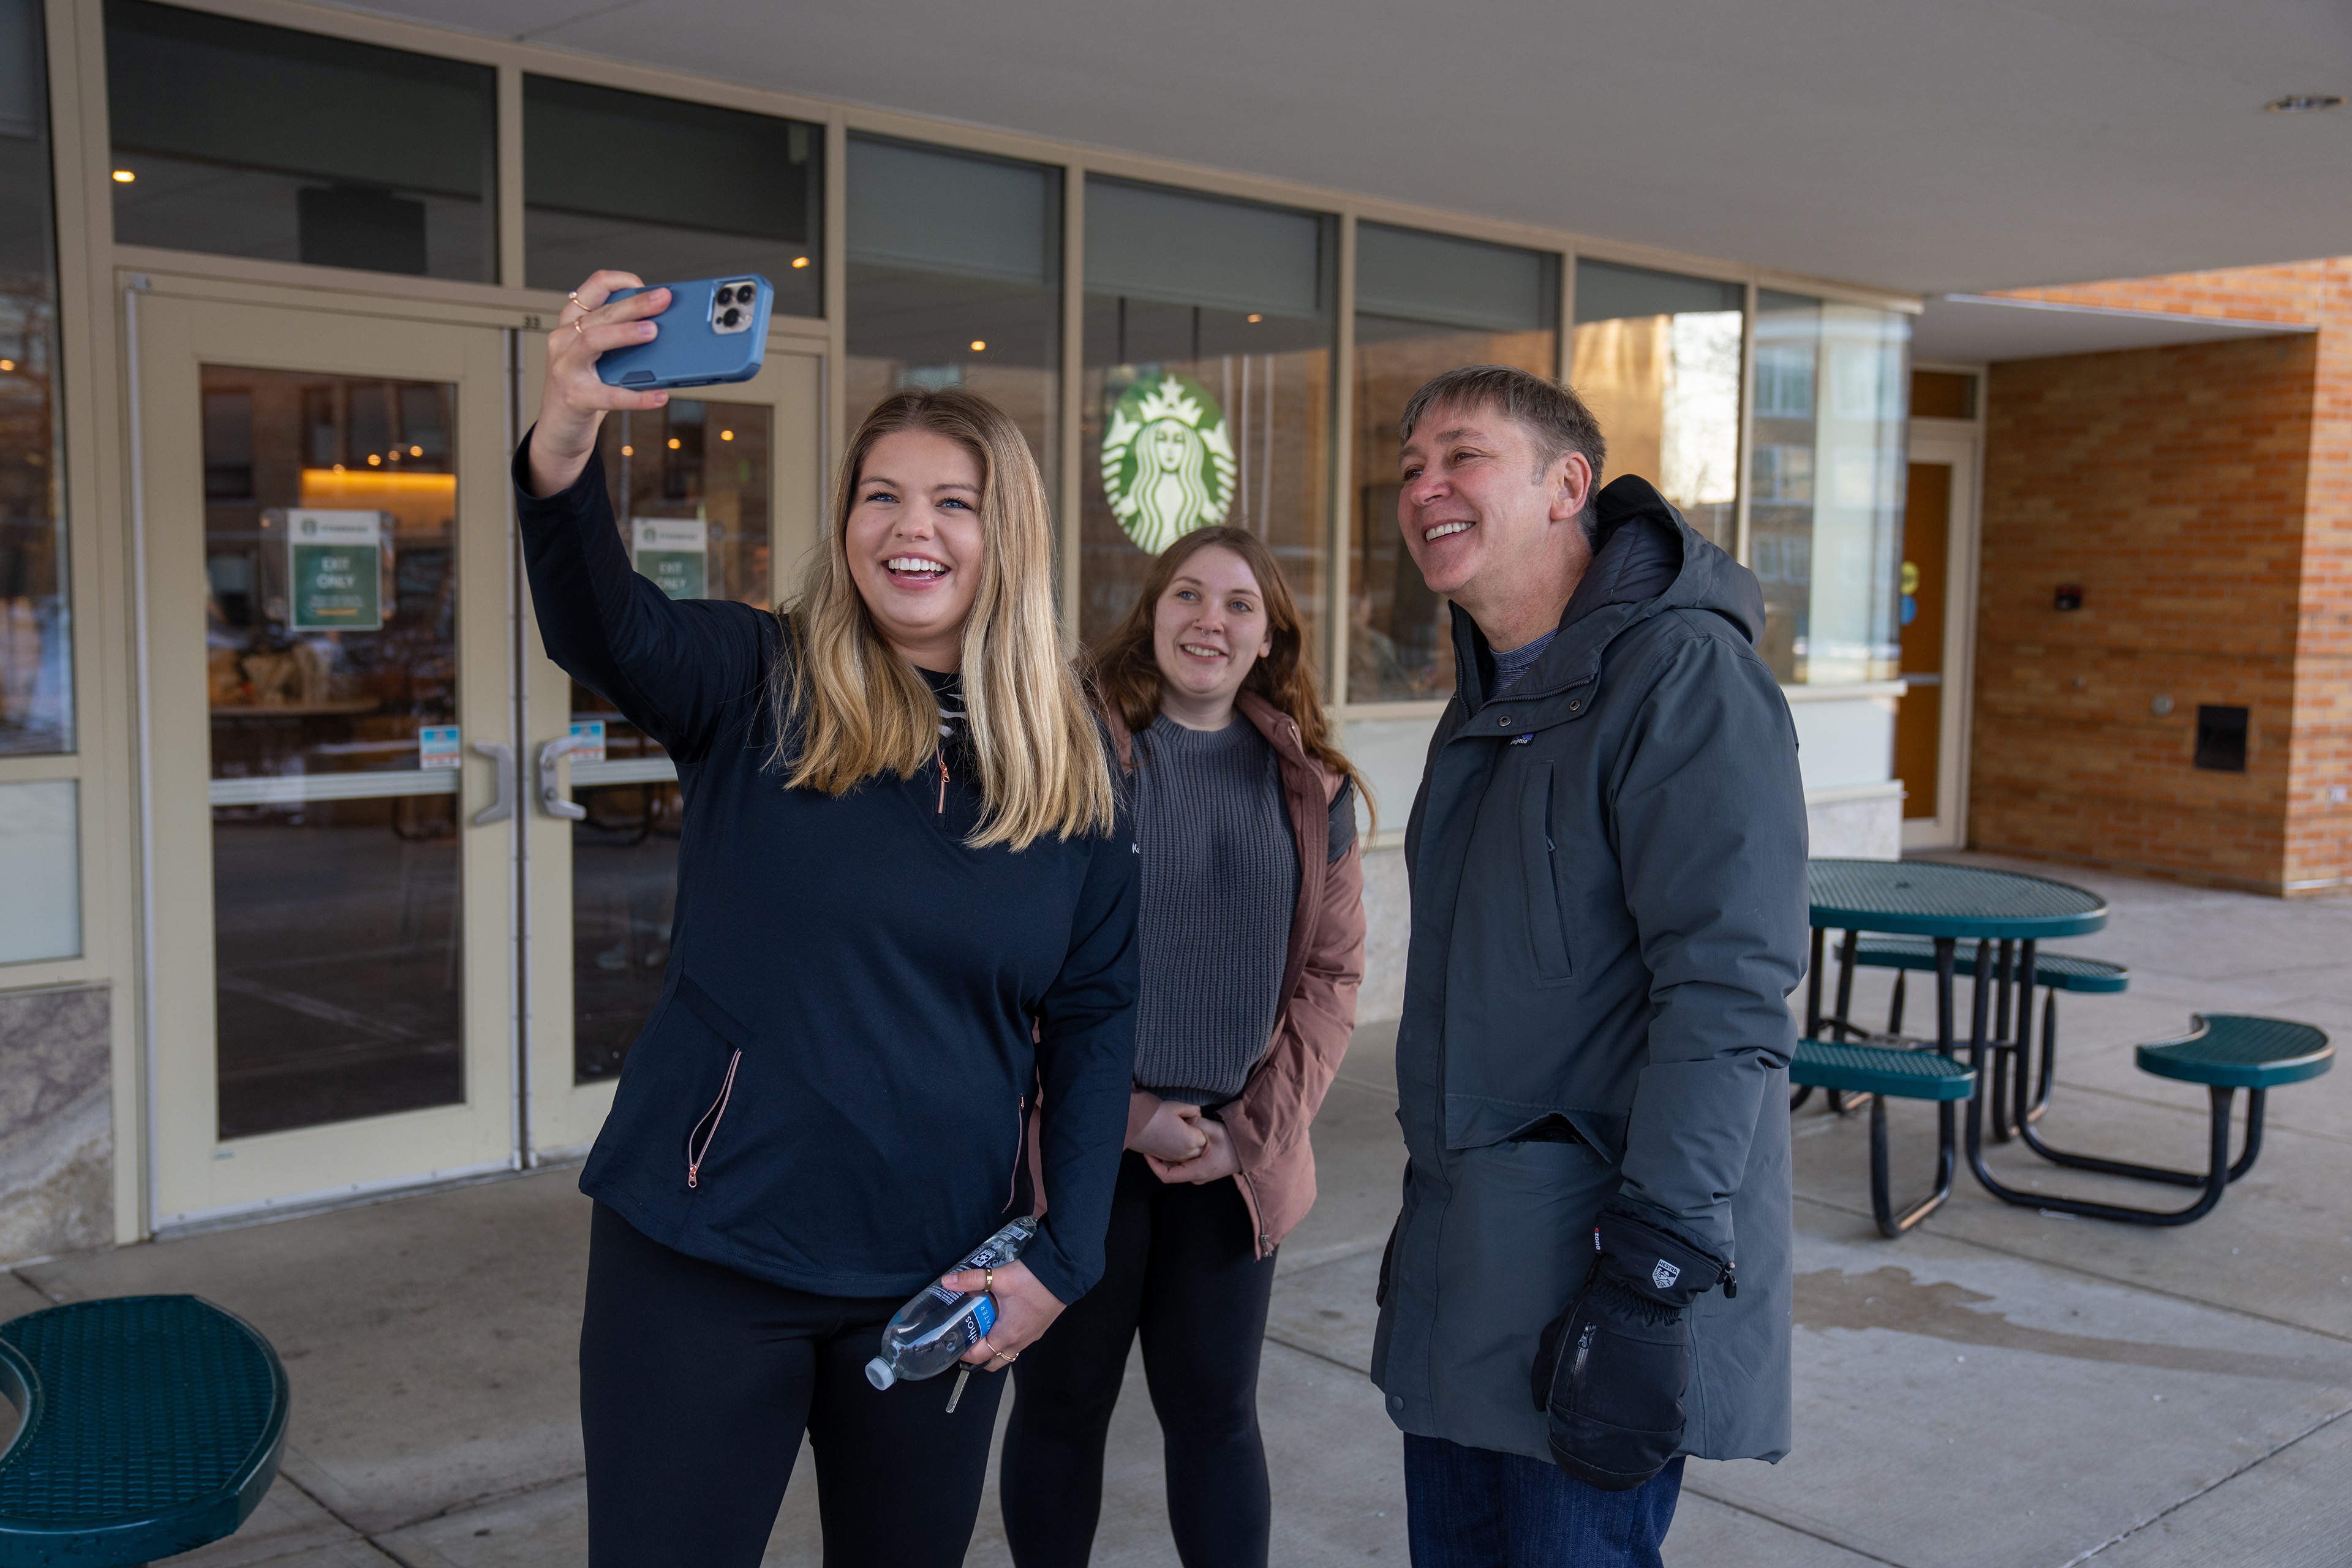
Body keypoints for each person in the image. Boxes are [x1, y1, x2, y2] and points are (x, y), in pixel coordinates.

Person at [519, 273, 1139, 1568]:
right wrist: (569, 438)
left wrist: (1060, 1256)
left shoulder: (1077, 759)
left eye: (953, 503)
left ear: (1004, 533)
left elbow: (1093, 1017)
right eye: (883, 495)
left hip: (931, 1282)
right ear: (849, 520)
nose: (914, 529)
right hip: (702, 1258)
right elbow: (603, 623)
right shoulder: (757, 681)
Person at [1368, 366, 1807, 1568]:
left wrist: (1657, 1261)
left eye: (1462, 455)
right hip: (1472, 1263)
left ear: (1570, 485)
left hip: (1596, 1273)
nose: (1426, 486)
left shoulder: (1681, 678)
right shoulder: (1492, 696)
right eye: (1410, 467)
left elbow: (1727, 987)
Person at [997, 525, 1369, 1568]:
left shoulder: (1310, 790)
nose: (1211, 620)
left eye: (1239, 605)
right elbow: (1009, 966)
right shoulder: (1071, 756)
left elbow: (1330, 982)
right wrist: (1125, 1118)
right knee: (1062, 1410)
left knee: (1216, 1418)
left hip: (1230, 1160)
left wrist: (1245, 1136)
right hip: (1078, 1152)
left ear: (1270, 638)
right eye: (1189, 597)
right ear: (1152, 613)